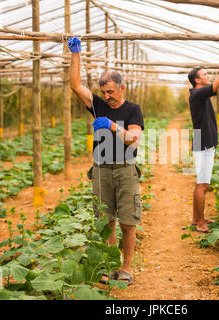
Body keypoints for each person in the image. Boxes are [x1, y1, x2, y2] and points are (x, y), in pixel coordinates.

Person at [67, 36, 144, 286]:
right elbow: (75, 85)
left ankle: (127, 267)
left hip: (125, 170)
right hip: (101, 171)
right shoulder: (98, 105)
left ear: (122, 88)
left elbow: (133, 139)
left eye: (111, 91)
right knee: (106, 222)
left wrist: (112, 126)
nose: (107, 96)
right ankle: (111, 266)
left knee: (127, 222)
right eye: (103, 92)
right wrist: (75, 54)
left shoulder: (133, 110)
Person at [187, 57, 219, 233]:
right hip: (202, 143)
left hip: (205, 142)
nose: (208, 76)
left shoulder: (202, 93)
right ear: (197, 80)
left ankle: (196, 218)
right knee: (203, 185)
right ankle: (200, 223)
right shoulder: (197, 93)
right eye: (205, 74)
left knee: (201, 183)